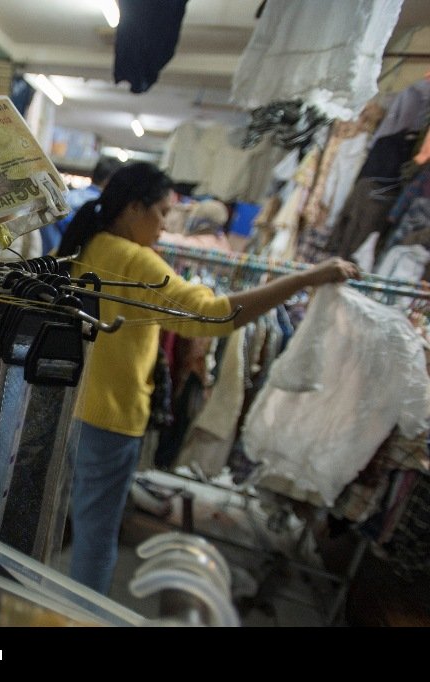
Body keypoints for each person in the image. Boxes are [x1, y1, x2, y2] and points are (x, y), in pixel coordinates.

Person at [65, 161, 360, 595]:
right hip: (108, 417)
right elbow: (214, 315)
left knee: (80, 519)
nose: (166, 225)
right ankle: (83, 614)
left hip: (72, 407)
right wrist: (307, 278)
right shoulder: (135, 260)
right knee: (98, 536)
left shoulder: (90, 246)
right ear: (133, 209)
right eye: (162, 212)